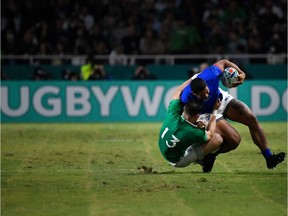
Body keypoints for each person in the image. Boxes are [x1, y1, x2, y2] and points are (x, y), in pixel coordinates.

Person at [180, 59, 285, 172]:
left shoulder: (211, 75)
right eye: (201, 95)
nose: (206, 95)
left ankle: (269, 157)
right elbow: (183, 117)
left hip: (220, 99)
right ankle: (209, 156)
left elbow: (224, 62)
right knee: (234, 140)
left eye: (207, 91)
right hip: (205, 113)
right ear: (194, 93)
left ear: (207, 84)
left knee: (251, 118)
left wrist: (241, 73)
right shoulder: (186, 97)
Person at [158, 79, 224, 168]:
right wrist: (215, 110)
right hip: (177, 160)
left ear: (185, 108)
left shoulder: (173, 112)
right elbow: (210, 134)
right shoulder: (194, 132)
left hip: (162, 148)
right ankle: (202, 159)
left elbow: (177, 92)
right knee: (217, 139)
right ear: (197, 116)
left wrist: (192, 79)